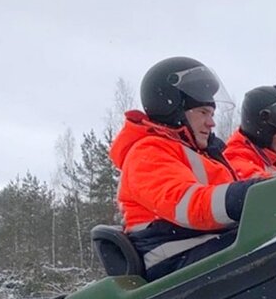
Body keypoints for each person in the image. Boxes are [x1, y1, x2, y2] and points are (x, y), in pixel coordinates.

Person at [109, 56, 262, 281]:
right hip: (176, 262)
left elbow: (240, 181)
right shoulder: (147, 153)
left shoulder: (202, 154)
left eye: (211, 114)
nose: (211, 123)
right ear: (173, 110)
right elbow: (190, 206)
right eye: (202, 112)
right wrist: (255, 192)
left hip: (204, 249)